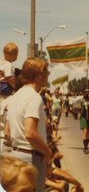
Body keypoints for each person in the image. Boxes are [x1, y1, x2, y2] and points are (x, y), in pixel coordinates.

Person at [4, 57, 52, 192]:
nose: (47, 76)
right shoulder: (34, 98)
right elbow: (30, 133)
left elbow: (7, 132)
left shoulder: (15, 96)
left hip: (15, 155)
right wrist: (48, 152)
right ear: (40, 74)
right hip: (31, 158)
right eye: (47, 72)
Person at [77, 89, 89, 154]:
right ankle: (85, 147)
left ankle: (86, 145)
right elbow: (73, 101)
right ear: (83, 93)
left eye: (88, 92)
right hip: (83, 117)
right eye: (85, 92)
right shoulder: (81, 99)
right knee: (85, 132)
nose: (86, 93)